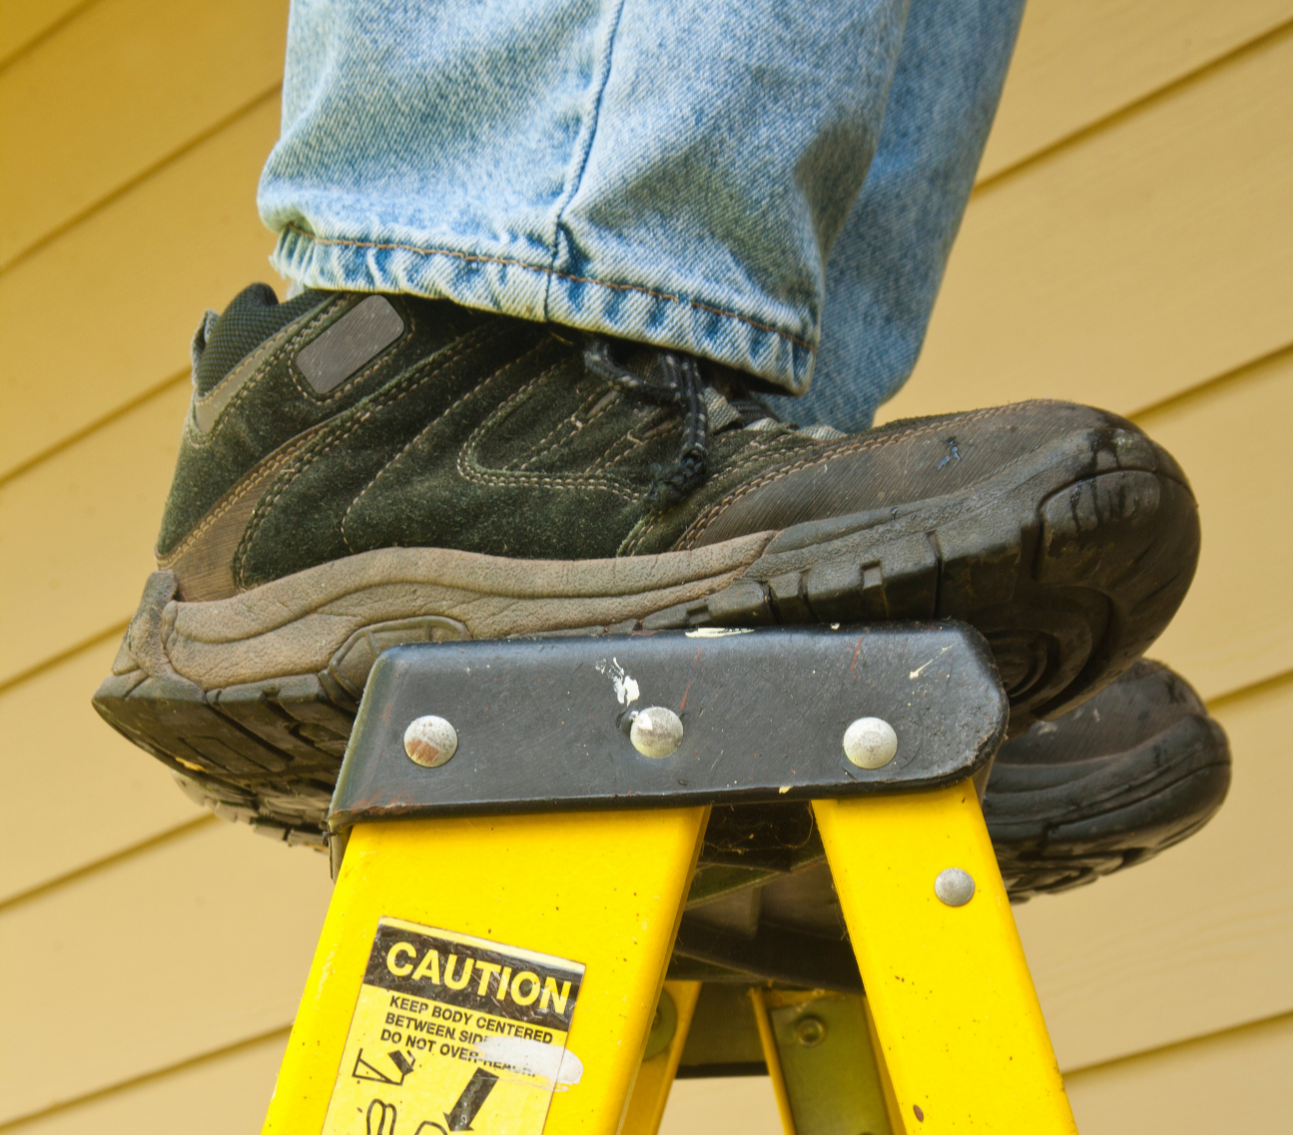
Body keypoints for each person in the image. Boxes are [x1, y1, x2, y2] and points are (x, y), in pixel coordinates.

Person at [95, 0, 1230, 917]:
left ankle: (734, 466)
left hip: (700, 404)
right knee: (604, 293)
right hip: (497, 317)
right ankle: (492, 334)